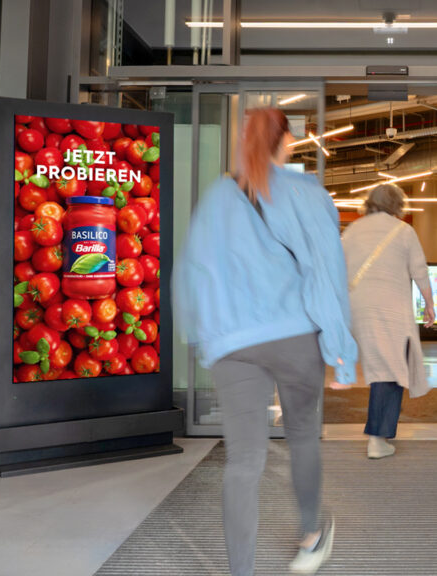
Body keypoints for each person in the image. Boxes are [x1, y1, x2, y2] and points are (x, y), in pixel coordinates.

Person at [174, 108, 357, 576]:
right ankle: (312, 536)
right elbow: (326, 270)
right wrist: (341, 348)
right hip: (295, 335)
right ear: (287, 142)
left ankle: (242, 572)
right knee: (301, 435)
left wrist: (202, 337)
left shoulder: (217, 195)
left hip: (233, 344)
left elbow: (190, 272)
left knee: (244, 460)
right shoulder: (305, 192)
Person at [341, 184, 434, 459]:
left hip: (358, 308)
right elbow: (420, 270)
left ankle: (378, 435)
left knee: (382, 366)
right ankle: (377, 439)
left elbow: (338, 268)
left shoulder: (352, 230)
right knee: (391, 369)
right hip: (390, 309)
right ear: (397, 205)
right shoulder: (403, 231)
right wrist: (430, 304)